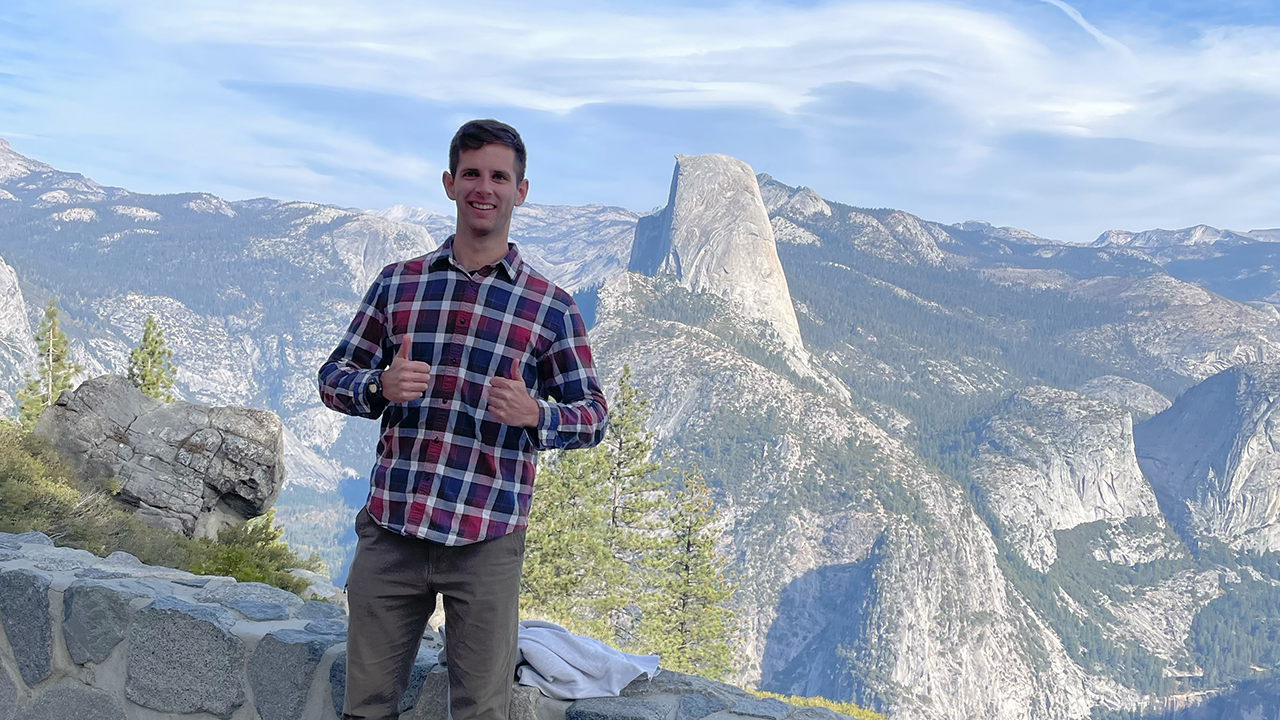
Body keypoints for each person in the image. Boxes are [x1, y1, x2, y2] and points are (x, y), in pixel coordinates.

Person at [317, 119, 609, 720]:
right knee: (365, 706)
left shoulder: (550, 308)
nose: (485, 187)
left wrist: (538, 416)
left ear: (520, 191)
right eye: (472, 174)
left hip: (486, 541)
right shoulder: (400, 284)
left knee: (480, 711)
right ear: (450, 184)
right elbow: (332, 379)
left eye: (499, 176)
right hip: (393, 529)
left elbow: (594, 416)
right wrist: (379, 386)